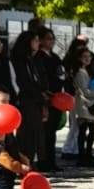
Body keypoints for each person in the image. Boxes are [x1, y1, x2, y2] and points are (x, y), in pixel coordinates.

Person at [13, 32, 46, 170]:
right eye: (36, 40)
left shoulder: (33, 60)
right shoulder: (20, 61)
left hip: (35, 102)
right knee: (27, 136)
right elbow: (24, 83)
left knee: (35, 136)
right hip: (26, 102)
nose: (38, 44)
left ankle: (32, 162)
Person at [35, 28, 65, 172]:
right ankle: (43, 160)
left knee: (52, 131)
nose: (51, 41)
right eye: (48, 38)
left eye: (52, 39)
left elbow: (61, 74)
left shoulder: (55, 57)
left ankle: (51, 160)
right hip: (45, 97)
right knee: (44, 132)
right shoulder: (38, 57)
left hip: (57, 97)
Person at [72, 47, 94, 166]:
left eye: (89, 57)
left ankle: (87, 155)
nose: (87, 59)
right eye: (84, 57)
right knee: (84, 130)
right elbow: (85, 92)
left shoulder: (85, 71)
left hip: (87, 104)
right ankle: (83, 156)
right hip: (84, 105)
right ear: (79, 58)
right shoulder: (80, 73)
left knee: (89, 130)